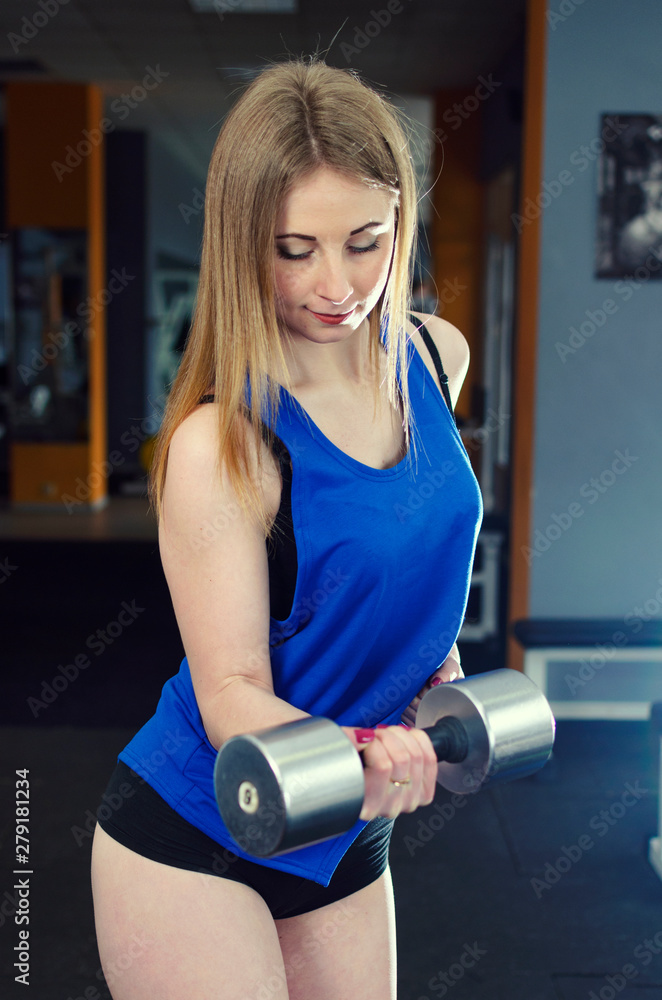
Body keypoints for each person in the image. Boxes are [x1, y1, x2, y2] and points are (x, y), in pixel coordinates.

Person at [91, 57, 483, 1000]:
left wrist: (440, 668)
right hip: (200, 829)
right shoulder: (224, 444)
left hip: (345, 829)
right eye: (293, 248)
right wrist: (366, 750)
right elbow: (230, 695)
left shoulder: (436, 356)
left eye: (365, 241)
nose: (336, 284)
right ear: (241, 243)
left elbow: (408, 550)